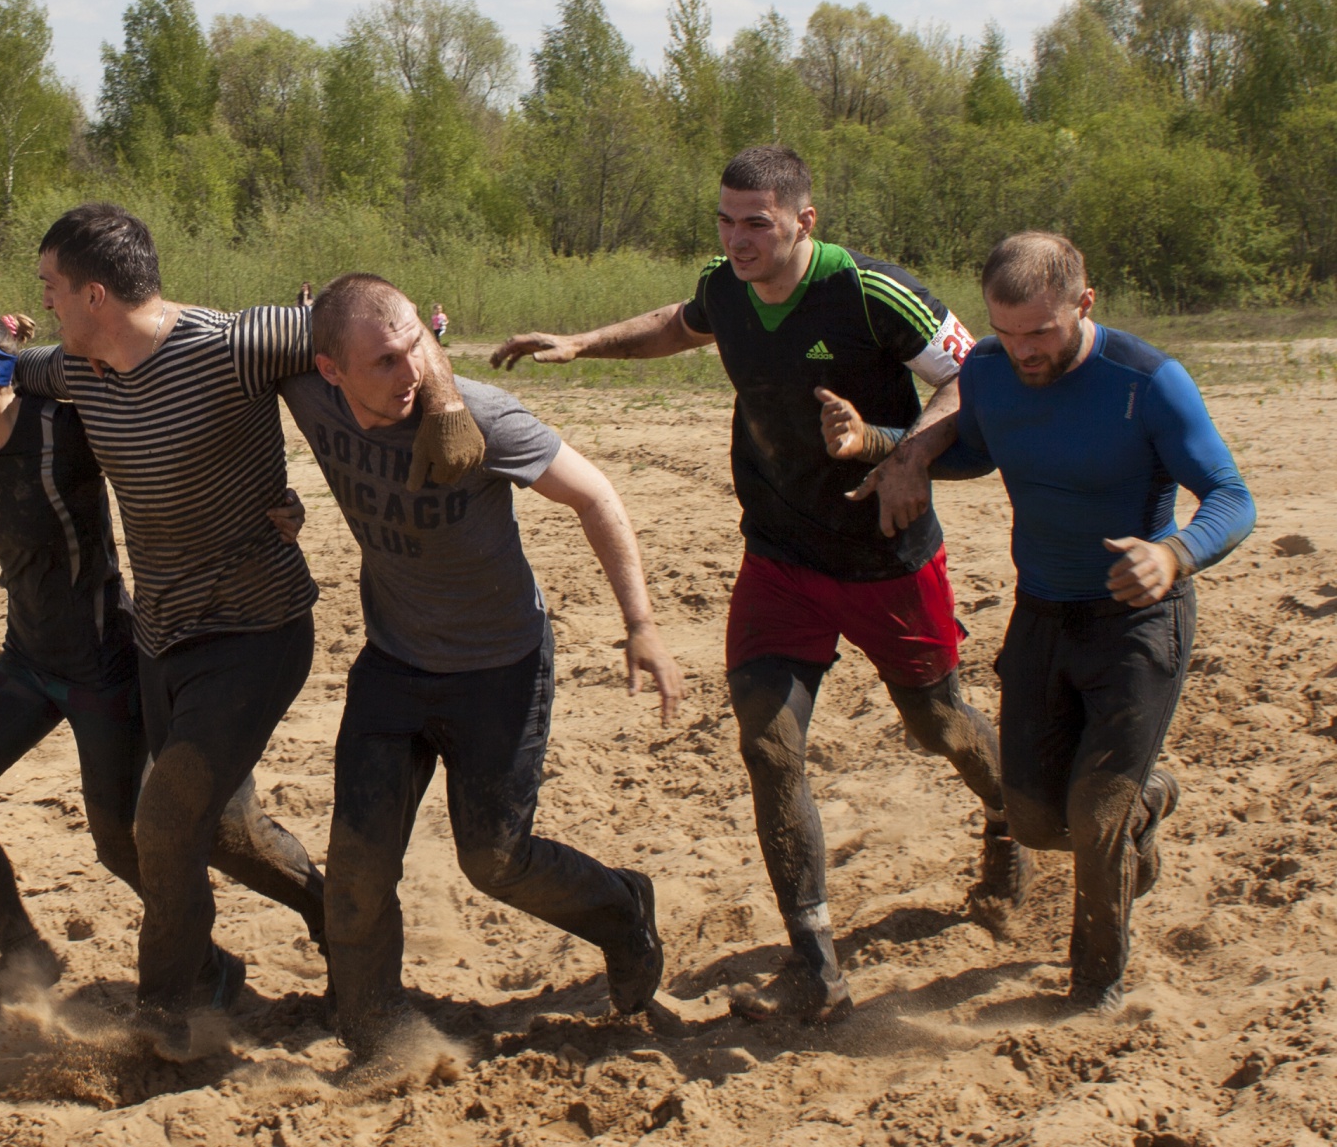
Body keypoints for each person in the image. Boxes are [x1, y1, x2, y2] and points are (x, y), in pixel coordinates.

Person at [0, 203, 486, 1057]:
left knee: (160, 822)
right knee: (223, 832)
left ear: (95, 293)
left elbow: (385, 318)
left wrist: (449, 402)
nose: (44, 302)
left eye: (52, 287)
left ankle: (166, 1017)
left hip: (256, 627)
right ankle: (332, 925)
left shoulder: (232, 343)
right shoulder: (79, 371)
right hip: (160, 641)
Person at [491, 145, 1027, 1024]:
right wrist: (583, 341)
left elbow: (979, 375)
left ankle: (1007, 819)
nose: (737, 240)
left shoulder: (868, 292)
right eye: (725, 221)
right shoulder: (727, 284)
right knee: (769, 746)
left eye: (757, 224)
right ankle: (813, 961)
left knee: (935, 724)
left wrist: (905, 450)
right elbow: (683, 320)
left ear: (802, 222)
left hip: (886, 555)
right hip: (779, 555)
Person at [831, 231, 1253, 1012]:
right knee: (1031, 817)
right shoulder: (989, 369)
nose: (1022, 350)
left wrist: (1175, 555)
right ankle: (1148, 799)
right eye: (1006, 329)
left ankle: (1094, 985)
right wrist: (883, 444)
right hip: (1040, 614)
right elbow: (979, 452)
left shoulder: (1147, 382)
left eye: (1040, 332)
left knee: (1093, 819)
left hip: (1135, 619)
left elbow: (1231, 495)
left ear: (1083, 304)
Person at [283, 274, 684, 1060]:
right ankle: (376, 1032)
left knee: (494, 860)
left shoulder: (487, 416)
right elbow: (212, 351)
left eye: (412, 350)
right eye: (383, 362)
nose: (407, 373)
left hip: (499, 665)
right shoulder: (305, 386)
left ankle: (620, 908)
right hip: (392, 661)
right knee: (357, 871)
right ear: (330, 369)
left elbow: (596, 496)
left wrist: (640, 623)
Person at [0, 308, 308, 1033]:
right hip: (26, 658)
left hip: (104, 666)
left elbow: (173, 447)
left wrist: (264, 501)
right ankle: (21, 950)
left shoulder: (66, 426)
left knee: (127, 842)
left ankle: (223, 957)